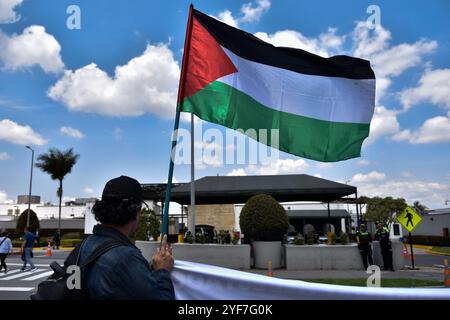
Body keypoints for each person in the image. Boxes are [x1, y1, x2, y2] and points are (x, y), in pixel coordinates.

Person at [79, 175, 175, 299]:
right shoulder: (127, 258)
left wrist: (144, 269)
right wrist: (162, 271)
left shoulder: (85, 245)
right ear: (135, 211)